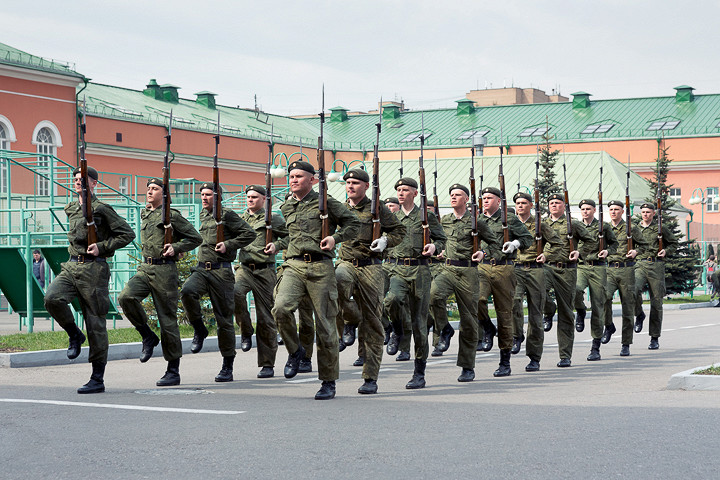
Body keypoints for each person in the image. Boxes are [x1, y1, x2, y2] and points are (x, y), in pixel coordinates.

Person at [268, 161, 359, 400]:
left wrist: (334, 238)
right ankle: (296, 351)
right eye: (291, 176)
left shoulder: (325, 202)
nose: (293, 179)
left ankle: (328, 381)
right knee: (280, 308)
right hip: (294, 265)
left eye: (299, 176)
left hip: (320, 266)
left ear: (312, 180)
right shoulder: (286, 206)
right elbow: (290, 236)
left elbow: (354, 223)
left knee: (326, 325)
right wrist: (277, 245)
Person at [44, 166, 135, 394]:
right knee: (52, 298)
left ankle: (97, 377)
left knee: (95, 323)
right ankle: (74, 333)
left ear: (94, 183)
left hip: (94, 269)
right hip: (71, 265)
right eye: (76, 179)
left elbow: (127, 234)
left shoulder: (102, 209)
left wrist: (102, 247)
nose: (78, 182)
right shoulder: (72, 208)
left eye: (83, 179)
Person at [118, 177, 202, 386]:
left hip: (165, 270)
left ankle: (173, 370)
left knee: (167, 320)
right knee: (126, 297)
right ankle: (147, 335)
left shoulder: (172, 215)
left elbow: (195, 238)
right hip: (145, 268)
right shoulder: (145, 212)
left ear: (163, 194)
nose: (149, 191)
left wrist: (176, 248)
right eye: (148, 188)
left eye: (154, 188)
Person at [335, 168, 405, 394]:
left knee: (373, 321)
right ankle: (350, 320)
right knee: (335, 284)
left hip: (371, 266)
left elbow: (399, 231)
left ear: (366, 186)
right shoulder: (340, 208)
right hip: (346, 263)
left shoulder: (378, 209)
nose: (350, 186)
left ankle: (370, 377)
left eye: (356, 183)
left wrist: (385, 240)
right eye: (348, 183)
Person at [180, 182, 255, 382]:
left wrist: (228, 244)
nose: (203, 198)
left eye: (208, 195)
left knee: (224, 320)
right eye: (202, 194)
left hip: (221, 272)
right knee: (187, 291)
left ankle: (227, 364)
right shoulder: (204, 215)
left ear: (218, 196)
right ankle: (199, 329)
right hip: (201, 269)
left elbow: (249, 234)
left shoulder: (227, 215)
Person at [429, 183, 498, 381]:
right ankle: (445, 328)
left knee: (468, 320)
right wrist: (438, 247)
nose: (453, 197)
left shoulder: (477, 221)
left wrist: (483, 252)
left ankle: (467, 366)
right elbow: (439, 238)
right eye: (451, 194)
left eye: (457, 194)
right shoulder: (446, 220)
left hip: (468, 271)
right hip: (448, 268)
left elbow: (494, 243)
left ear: (466, 199)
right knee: (434, 295)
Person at [384, 177, 446, 389]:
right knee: (391, 300)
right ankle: (397, 329)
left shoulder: (425, 216)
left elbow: (441, 239)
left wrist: (434, 247)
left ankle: (419, 371)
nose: (401, 193)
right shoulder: (392, 217)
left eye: (405, 190)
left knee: (420, 324)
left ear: (414, 193)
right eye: (398, 190)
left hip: (420, 270)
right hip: (398, 269)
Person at [476, 186, 532, 377]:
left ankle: (504, 361)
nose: (485, 201)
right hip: (482, 266)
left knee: (504, 314)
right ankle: (488, 328)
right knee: (477, 300)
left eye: (489, 198)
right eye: (483, 198)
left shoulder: (509, 219)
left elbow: (527, 238)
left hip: (504, 267)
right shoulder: (478, 220)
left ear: (499, 201)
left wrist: (515, 244)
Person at [233, 185, 288, 379]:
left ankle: (267, 364)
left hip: (265, 272)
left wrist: (277, 245)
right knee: (235, 294)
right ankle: (246, 330)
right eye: (248, 197)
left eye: (254, 197)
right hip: (245, 268)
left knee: (266, 319)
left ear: (264, 199)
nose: (250, 200)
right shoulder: (239, 220)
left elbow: (290, 236)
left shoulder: (273, 219)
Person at [511, 191, 563, 371]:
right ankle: (517, 335)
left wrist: (545, 254)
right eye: (517, 203)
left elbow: (557, 242)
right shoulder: (510, 223)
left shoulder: (539, 224)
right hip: (515, 268)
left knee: (535, 315)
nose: (520, 206)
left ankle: (534, 357)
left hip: (535, 269)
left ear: (531, 205)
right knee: (513, 302)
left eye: (524, 203)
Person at [542, 193, 593, 367]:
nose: (554, 205)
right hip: (546, 268)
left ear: (564, 206)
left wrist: (580, 253)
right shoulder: (542, 224)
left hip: (566, 270)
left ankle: (565, 355)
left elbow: (591, 241)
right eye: (551, 203)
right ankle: (549, 310)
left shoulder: (573, 224)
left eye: (557, 203)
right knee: (539, 293)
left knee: (565, 312)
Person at [573, 199, 618, 361]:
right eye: (583, 209)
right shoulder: (575, 226)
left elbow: (615, 244)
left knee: (598, 305)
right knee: (576, 291)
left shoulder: (603, 226)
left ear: (594, 210)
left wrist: (607, 251)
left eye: (588, 209)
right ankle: (580, 310)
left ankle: (595, 346)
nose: (585, 211)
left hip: (598, 267)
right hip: (581, 266)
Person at [603, 199, 646, 356]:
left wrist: (636, 252)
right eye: (611, 209)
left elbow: (644, 245)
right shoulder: (604, 228)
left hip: (626, 269)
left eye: (617, 209)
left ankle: (626, 343)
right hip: (609, 269)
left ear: (622, 211)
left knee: (628, 306)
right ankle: (608, 325)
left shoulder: (631, 228)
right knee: (604, 298)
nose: (613, 212)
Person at [633, 202, 678, 349]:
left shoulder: (660, 228)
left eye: (648, 212)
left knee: (657, 302)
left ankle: (654, 337)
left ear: (653, 213)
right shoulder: (635, 228)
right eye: (643, 212)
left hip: (656, 265)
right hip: (639, 264)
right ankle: (639, 314)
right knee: (633, 291)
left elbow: (673, 243)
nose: (645, 214)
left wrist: (666, 251)